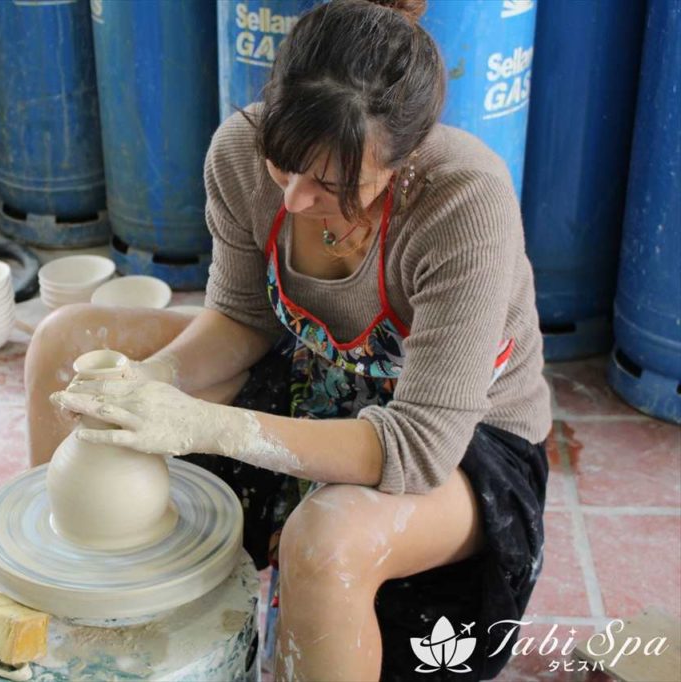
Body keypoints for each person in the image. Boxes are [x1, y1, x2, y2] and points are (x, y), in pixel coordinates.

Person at [27, 0, 552, 679]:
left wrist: (205, 425)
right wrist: (150, 382)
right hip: (314, 374)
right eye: (285, 164)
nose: (298, 199)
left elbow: (421, 446)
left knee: (323, 541)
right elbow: (242, 318)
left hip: (464, 442)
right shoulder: (240, 152)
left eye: (335, 185)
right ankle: (62, 620)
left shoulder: (462, 201)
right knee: (67, 344)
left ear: (405, 158)